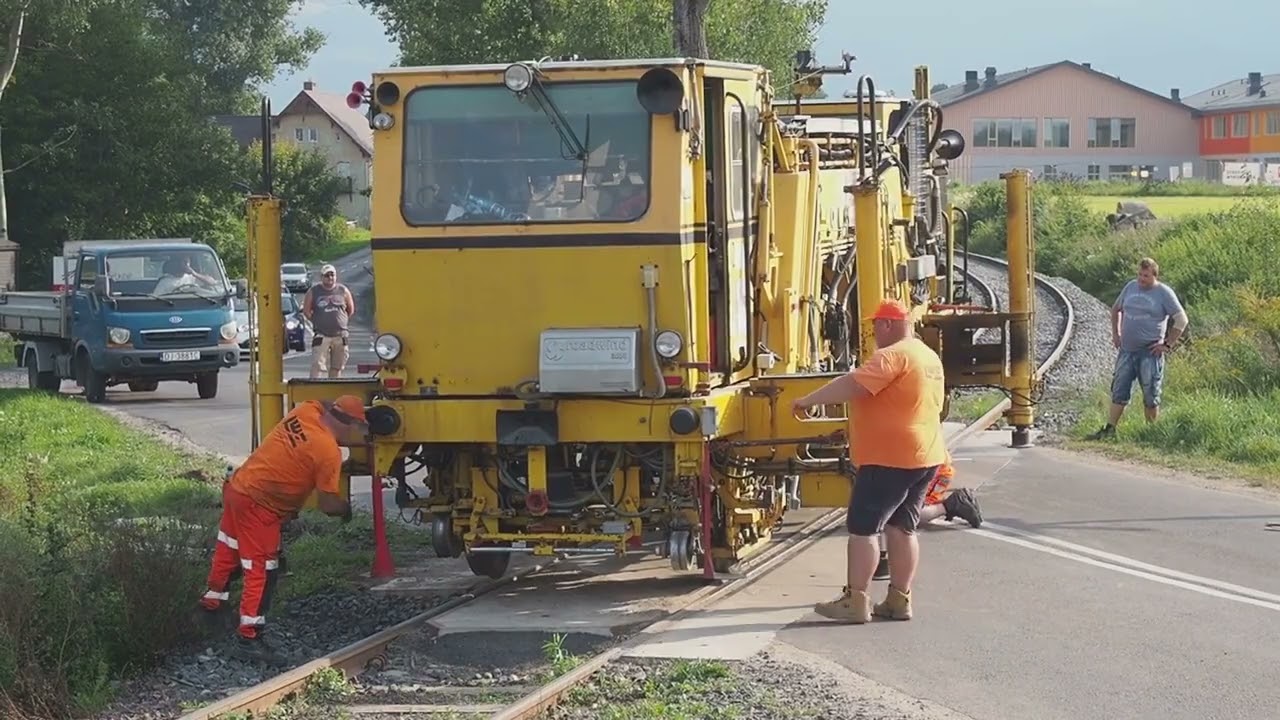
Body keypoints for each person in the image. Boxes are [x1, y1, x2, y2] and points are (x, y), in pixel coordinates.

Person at [792, 298, 947, 624]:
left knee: (863, 529)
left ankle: (855, 600)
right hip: (926, 454)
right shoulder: (927, 356)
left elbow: (854, 384)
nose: (873, 331)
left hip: (889, 456)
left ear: (887, 324)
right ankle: (898, 599)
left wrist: (809, 400)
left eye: (875, 324)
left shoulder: (892, 356)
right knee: (902, 527)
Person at [197, 395, 368, 663]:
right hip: (260, 506)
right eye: (362, 429)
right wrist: (345, 509)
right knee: (262, 569)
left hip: (238, 488)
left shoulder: (305, 412)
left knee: (229, 549)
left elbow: (322, 402)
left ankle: (211, 606)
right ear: (351, 425)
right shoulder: (328, 451)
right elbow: (327, 504)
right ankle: (249, 638)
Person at [1087, 257, 1188, 440]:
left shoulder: (1164, 293)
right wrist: (1116, 334)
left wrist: (1167, 344)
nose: (1142, 279)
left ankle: (1151, 433)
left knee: (1151, 393)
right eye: (1140, 274)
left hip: (1150, 353)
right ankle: (1110, 429)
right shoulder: (1130, 287)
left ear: (1154, 276)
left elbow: (1181, 319)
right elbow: (1116, 309)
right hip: (1127, 350)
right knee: (1119, 390)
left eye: (1146, 276)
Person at [302, 264, 356, 379]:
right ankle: (314, 390)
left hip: (340, 335)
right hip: (322, 335)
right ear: (321, 277)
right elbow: (306, 311)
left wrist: (341, 321)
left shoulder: (343, 290)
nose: (330, 278)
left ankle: (333, 390)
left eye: (332, 275)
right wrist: (317, 321)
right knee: (317, 364)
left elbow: (350, 310)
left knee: (338, 366)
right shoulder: (314, 291)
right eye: (327, 275)